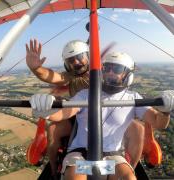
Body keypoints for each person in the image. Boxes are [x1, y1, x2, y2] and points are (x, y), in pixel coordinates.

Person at [29, 52, 173, 180]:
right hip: (81, 154)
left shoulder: (133, 98)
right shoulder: (86, 94)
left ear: (127, 75)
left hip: (112, 156)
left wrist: (165, 111)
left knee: (128, 177)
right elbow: (63, 113)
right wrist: (46, 112)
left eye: (116, 69)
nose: (110, 72)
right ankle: (56, 171)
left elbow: (159, 122)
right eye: (107, 68)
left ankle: (131, 168)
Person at [26, 39, 90, 176]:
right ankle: (54, 171)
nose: (76, 62)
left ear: (88, 56)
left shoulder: (103, 72)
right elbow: (52, 77)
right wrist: (36, 68)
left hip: (104, 115)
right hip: (76, 115)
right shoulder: (72, 75)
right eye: (71, 60)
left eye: (79, 57)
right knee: (53, 129)